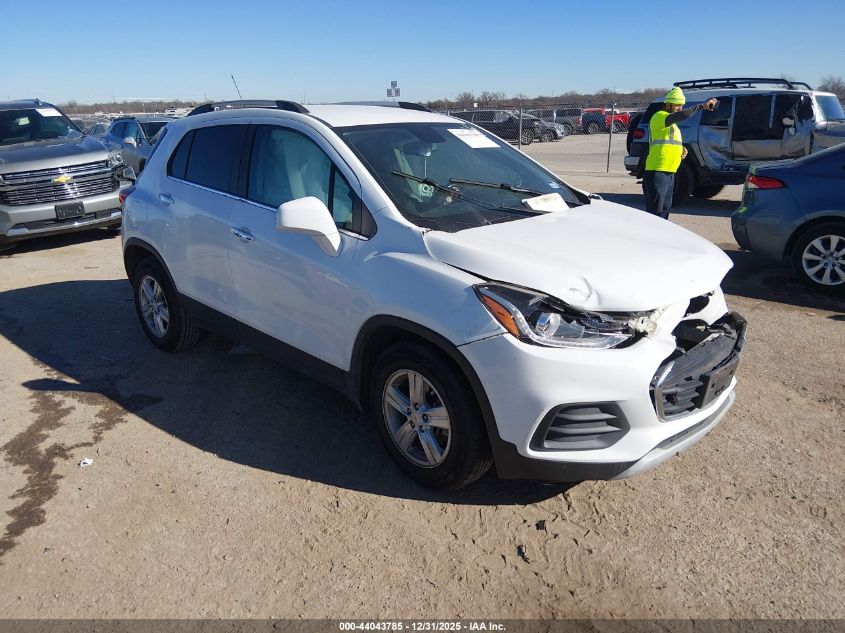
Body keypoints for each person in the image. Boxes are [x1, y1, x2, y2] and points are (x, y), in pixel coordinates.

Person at [643, 87, 718, 219]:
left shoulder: (673, 125)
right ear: (668, 104)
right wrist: (701, 106)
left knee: (664, 212)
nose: (680, 108)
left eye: (682, 105)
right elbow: (682, 116)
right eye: (678, 105)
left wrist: (681, 150)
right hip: (657, 171)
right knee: (655, 215)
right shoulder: (659, 117)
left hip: (670, 172)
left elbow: (668, 143)